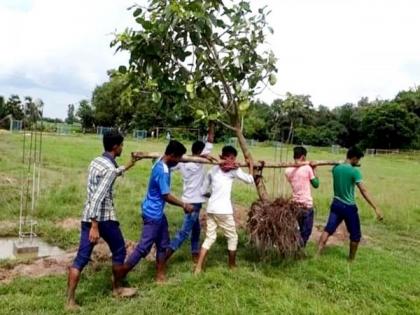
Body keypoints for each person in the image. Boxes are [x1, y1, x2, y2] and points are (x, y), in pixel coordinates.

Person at [66, 131, 138, 310]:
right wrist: (95, 226)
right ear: (115, 147)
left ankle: (70, 302)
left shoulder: (97, 161)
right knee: (120, 251)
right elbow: (98, 197)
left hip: (87, 216)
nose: (122, 148)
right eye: (121, 145)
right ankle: (117, 289)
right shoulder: (109, 170)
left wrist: (129, 164)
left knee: (81, 259)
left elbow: (114, 173)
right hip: (102, 219)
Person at [113, 140, 194, 284]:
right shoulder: (163, 171)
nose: (180, 161)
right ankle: (121, 271)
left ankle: (160, 275)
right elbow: (166, 195)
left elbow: (158, 157)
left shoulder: (159, 162)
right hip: (153, 214)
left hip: (156, 212)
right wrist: (184, 205)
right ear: (172, 155)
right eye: (179, 158)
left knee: (163, 243)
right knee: (144, 247)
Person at [194, 146, 254, 274]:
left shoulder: (212, 170)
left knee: (209, 238)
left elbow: (203, 191)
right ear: (223, 157)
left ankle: (198, 267)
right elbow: (250, 180)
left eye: (233, 159)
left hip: (211, 209)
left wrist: (212, 196)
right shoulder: (234, 170)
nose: (232, 161)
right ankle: (232, 266)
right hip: (224, 211)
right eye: (231, 158)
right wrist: (251, 166)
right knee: (232, 237)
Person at [317, 146, 383, 261]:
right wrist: (375, 207)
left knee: (328, 230)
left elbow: (341, 166)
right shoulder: (354, 171)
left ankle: (317, 254)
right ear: (353, 158)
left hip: (336, 204)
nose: (358, 162)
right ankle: (351, 260)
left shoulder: (336, 168)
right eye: (357, 160)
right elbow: (364, 190)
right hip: (349, 207)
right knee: (355, 235)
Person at [165, 122, 216, 263]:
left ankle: (194, 252)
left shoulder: (182, 162)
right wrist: (212, 123)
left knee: (196, 228)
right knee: (184, 231)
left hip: (188, 199)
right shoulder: (200, 161)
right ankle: (165, 257)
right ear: (201, 152)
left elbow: (169, 166)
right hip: (194, 202)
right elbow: (210, 139)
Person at [285, 146, 319, 247]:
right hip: (306, 205)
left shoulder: (287, 170)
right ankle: (298, 249)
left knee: (297, 228)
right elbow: (316, 184)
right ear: (303, 157)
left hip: (294, 204)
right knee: (306, 231)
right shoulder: (307, 168)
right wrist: (314, 170)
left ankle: (294, 247)